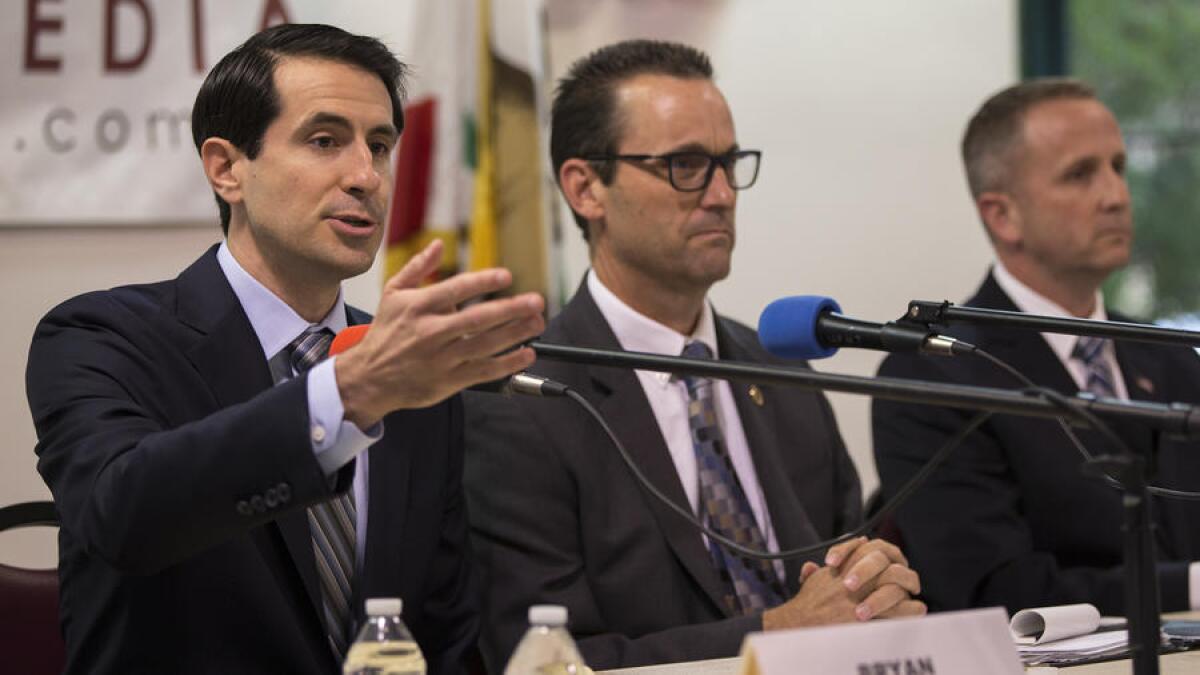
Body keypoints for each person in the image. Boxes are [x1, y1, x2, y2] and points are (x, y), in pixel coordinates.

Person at [25, 24, 544, 674]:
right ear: (227, 169)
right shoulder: (100, 335)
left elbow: (443, 632)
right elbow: (123, 515)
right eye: (324, 141)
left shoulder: (405, 370)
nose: (366, 176)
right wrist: (346, 393)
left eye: (380, 145)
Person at [463, 39, 924, 672]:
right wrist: (776, 632)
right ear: (585, 188)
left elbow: (841, 581)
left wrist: (874, 586)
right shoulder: (521, 398)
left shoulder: (782, 370)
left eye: (729, 163)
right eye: (685, 165)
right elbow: (540, 658)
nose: (721, 194)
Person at [873, 78, 1200, 616]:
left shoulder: (1167, 357)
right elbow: (993, 592)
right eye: (1080, 175)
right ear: (1003, 215)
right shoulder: (934, 374)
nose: (1116, 196)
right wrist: (1189, 587)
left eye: (1118, 167)